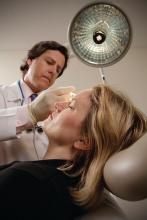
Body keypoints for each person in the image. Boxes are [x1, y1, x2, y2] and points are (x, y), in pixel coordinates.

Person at [0, 84, 146, 220]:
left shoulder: (25, 180)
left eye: (70, 106)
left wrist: (30, 112)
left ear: (84, 140)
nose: (57, 105)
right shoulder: (66, 187)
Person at [0, 40, 70, 164]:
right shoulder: (2, 94)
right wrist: (31, 113)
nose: (53, 71)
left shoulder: (55, 110)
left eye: (58, 70)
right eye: (49, 62)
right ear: (30, 60)